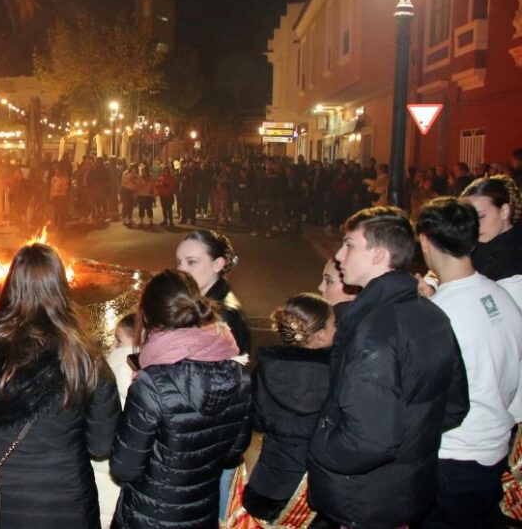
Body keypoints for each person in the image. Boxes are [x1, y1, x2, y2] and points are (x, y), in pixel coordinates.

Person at [0, 243, 121, 528]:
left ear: (10, 285)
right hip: (65, 509)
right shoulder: (83, 359)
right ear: (61, 289)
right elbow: (102, 444)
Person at [307, 206, 470, 528]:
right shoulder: (432, 314)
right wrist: (410, 445)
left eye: (350, 245)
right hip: (406, 489)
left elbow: (369, 441)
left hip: (365, 498)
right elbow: (454, 406)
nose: (339, 255)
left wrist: (320, 445)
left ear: (379, 254)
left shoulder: (373, 333)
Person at [111, 270, 251, 527]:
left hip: (149, 517)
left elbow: (124, 467)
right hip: (201, 513)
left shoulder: (152, 383)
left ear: (148, 317)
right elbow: (233, 452)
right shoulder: (240, 375)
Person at [417, 197, 522, 526]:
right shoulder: (502, 296)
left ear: (425, 241)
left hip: (452, 454)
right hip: (494, 448)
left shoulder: (436, 314)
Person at [242, 293, 334, 526]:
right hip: (313, 488)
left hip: (268, 481)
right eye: (334, 324)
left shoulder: (265, 371)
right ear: (321, 335)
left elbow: (256, 422)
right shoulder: (338, 375)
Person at [176, 229, 250, 354]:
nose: (181, 270)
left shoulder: (222, 315)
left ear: (217, 264)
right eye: (179, 262)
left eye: (191, 262)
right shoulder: (204, 302)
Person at [93, 314, 137, 528]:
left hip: (103, 480)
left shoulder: (108, 374)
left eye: (118, 340)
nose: (112, 347)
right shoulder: (156, 381)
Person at [461, 175, 522, 287]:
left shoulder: (514, 262)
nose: (472, 225)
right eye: (468, 218)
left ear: (504, 211)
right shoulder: (471, 245)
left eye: (480, 216)